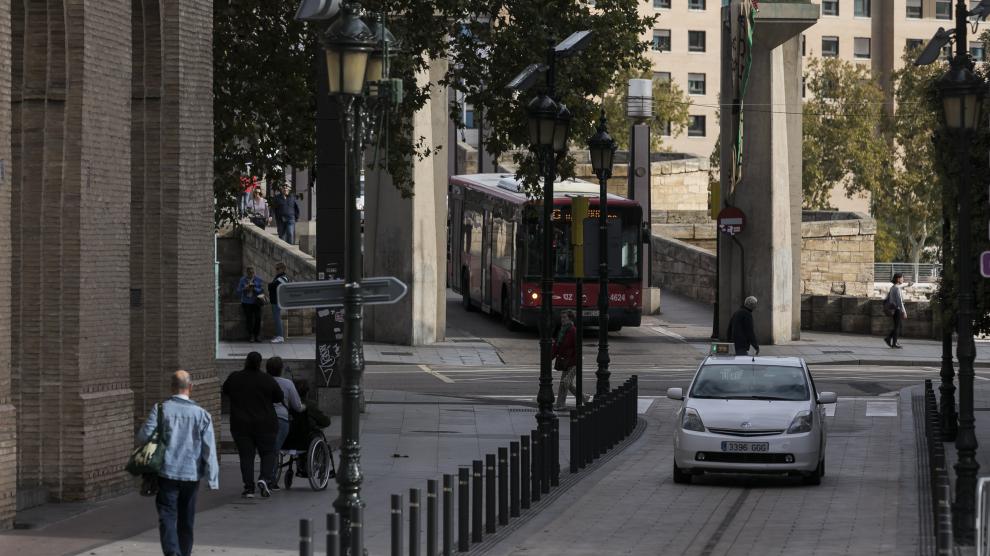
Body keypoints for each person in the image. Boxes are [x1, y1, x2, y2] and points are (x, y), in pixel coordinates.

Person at [136, 370, 218, 556]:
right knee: (186, 519)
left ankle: (173, 552)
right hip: (191, 474)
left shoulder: (161, 409)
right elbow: (209, 449)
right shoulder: (202, 414)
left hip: (166, 473)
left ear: (171, 387)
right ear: (191, 387)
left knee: (167, 516)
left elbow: (143, 436)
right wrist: (212, 478)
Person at [222, 352, 284, 498]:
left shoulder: (235, 377)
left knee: (246, 456)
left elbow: (225, 390)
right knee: (268, 453)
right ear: (260, 363)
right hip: (266, 424)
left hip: (241, 424)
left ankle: (249, 488)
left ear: (246, 361)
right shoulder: (267, 379)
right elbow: (279, 397)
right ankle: (264, 478)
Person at [266, 356, 305, 490]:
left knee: (267, 448)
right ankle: (269, 479)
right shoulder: (287, 384)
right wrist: (305, 407)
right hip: (281, 419)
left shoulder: (263, 381)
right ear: (281, 369)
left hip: (263, 418)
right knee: (274, 449)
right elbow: (297, 406)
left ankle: (265, 476)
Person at [552, 310, 588, 410]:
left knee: (565, 382)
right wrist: (550, 357)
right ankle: (583, 398)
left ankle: (561, 404)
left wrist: (575, 362)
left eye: (564, 317)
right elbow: (557, 346)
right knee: (566, 382)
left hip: (574, 362)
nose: (562, 319)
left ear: (570, 318)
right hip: (565, 362)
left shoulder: (573, 331)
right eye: (561, 317)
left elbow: (577, 349)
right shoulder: (562, 331)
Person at [237, 266, 265, 343]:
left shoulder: (258, 279)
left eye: (252, 272)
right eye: (250, 273)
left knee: (258, 318)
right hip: (246, 302)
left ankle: (257, 335)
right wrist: (245, 288)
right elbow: (238, 290)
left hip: (256, 301)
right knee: (249, 319)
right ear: (247, 273)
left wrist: (254, 288)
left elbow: (262, 290)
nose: (251, 274)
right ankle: (251, 335)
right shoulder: (243, 280)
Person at [884, 273, 908, 349]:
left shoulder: (893, 287)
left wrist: (908, 285)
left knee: (897, 326)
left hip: (893, 308)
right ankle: (893, 342)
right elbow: (900, 301)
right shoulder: (897, 288)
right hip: (897, 309)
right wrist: (904, 311)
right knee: (897, 326)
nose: (903, 279)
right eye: (902, 278)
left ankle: (891, 340)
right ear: (898, 279)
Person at [269, 262, 290, 344]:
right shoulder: (279, 277)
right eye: (276, 269)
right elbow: (273, 286)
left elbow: (273, 286)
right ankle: (279, 335)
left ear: (283, 269)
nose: (276, 271)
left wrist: (271, 285)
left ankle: (280, 337)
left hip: (278, 301)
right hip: (276, 301)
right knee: (276, 319)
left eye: (277, 269)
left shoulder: (283, 278)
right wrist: (271, 285)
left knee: (277, 319)